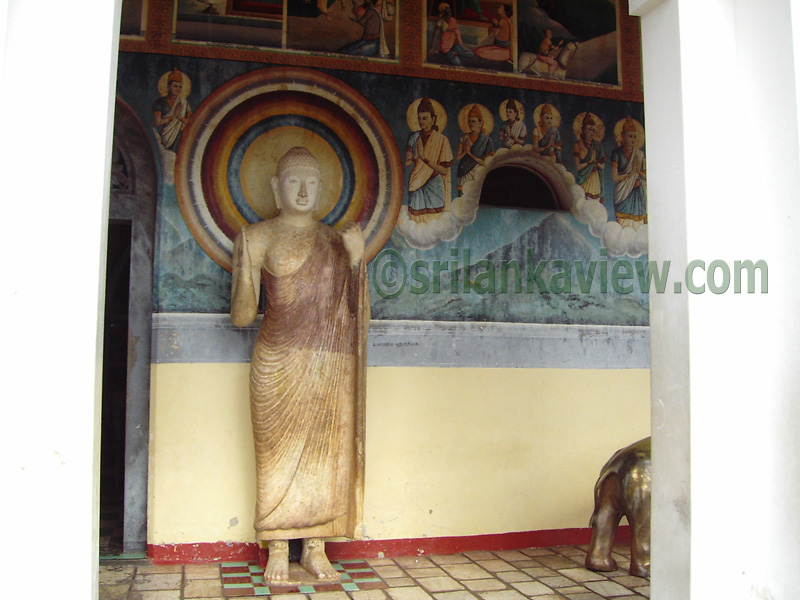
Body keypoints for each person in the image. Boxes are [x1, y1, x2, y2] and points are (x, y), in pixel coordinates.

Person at [230, 147, 368, 584]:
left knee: (326, 456)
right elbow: (241, 317)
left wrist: (357, 260)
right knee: (276, 457)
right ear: (276, 188)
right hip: (278, 361)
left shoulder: (336, 241)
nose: (304, 191)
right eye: (294, 181)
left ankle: (315, 547)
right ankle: (276, 546)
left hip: (329, 363)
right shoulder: (258, 237)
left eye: (311, 182)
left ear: (323, 188)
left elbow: (357, 315)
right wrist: (246, 263)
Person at [406, 98, 454, 222]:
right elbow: (406, 162)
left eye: (425, 118)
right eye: (419, 118)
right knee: (416, 222)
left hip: (435, 186)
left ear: (433, 119)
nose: (421, 121)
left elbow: (444, 170)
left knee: (434, 222)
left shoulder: (442, 140)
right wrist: (415, 157)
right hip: (416, 184)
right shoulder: (414, 137)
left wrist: (424, 159)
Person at [611, 117, 647, 229]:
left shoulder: (640, 154)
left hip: (638, 194)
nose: (633, 139)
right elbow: (615, 178)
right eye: (630, 136)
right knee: (623, 225)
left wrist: (638, 173)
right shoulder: (616, 153)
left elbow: (646, 176)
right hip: (623, 194)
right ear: (623, 135)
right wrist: (629, 175)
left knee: (638, 225)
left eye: (635, 137)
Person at [456, 104, 494, 192]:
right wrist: (465, 152)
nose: (471, 124)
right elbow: (458, 157)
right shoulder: (464, 138)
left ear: (480, 123)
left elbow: (488, 163)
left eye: (473, 121)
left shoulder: (487, 140)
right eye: (469, 121)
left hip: (479, 173)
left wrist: (470, 154)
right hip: (464, 171)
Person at [152, 68, 192, 152]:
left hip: (180, 136)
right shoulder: (159, 103)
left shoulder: (183, 103)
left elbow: (191, 121)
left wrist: (180, 118)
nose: (178, 89)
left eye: (180, 87)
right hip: (166, 136)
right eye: (175, 86)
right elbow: (157, 122)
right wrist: (173, 117)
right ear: (168, 86)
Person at [573, 113, 606, 203]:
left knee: (594, 204)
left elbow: (603, 167)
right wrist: (589, 162)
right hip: (583, 179)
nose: (591, 133)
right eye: (589, 129)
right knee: (583, 202)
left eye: (593, 130)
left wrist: (596, 163)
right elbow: (577, 167)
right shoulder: (578, 145)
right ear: (583, 129)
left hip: (595, 180)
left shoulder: (598, 146)